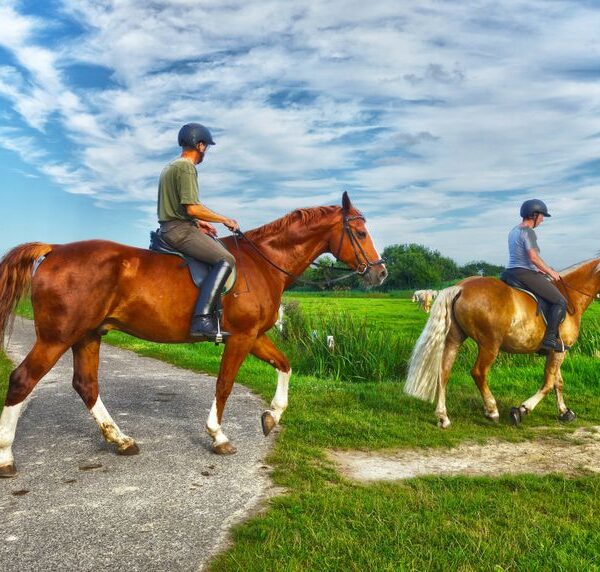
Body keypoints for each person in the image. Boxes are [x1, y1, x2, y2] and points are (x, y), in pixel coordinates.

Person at [157, 122, 238, 339]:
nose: (205, 152)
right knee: (226, 259)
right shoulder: (186, 167)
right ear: (199, 145)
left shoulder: (170, 167)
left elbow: (180, 208)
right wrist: (224, 219)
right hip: (179, 231)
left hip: (172, 225)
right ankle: (202, 319)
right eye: (206, 147)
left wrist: (198, 223)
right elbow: (192, 207)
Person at [503, 199, 568, 352]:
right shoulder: (529, 232)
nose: (542, 219)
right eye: (542, 216)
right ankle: (550, 339)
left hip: (510, 272)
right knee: (560, 301)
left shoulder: (513, 230)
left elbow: (523, 257)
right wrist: (550, 271)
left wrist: (538, 269)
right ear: (534, 215)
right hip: (524, 273)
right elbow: (533, 257)